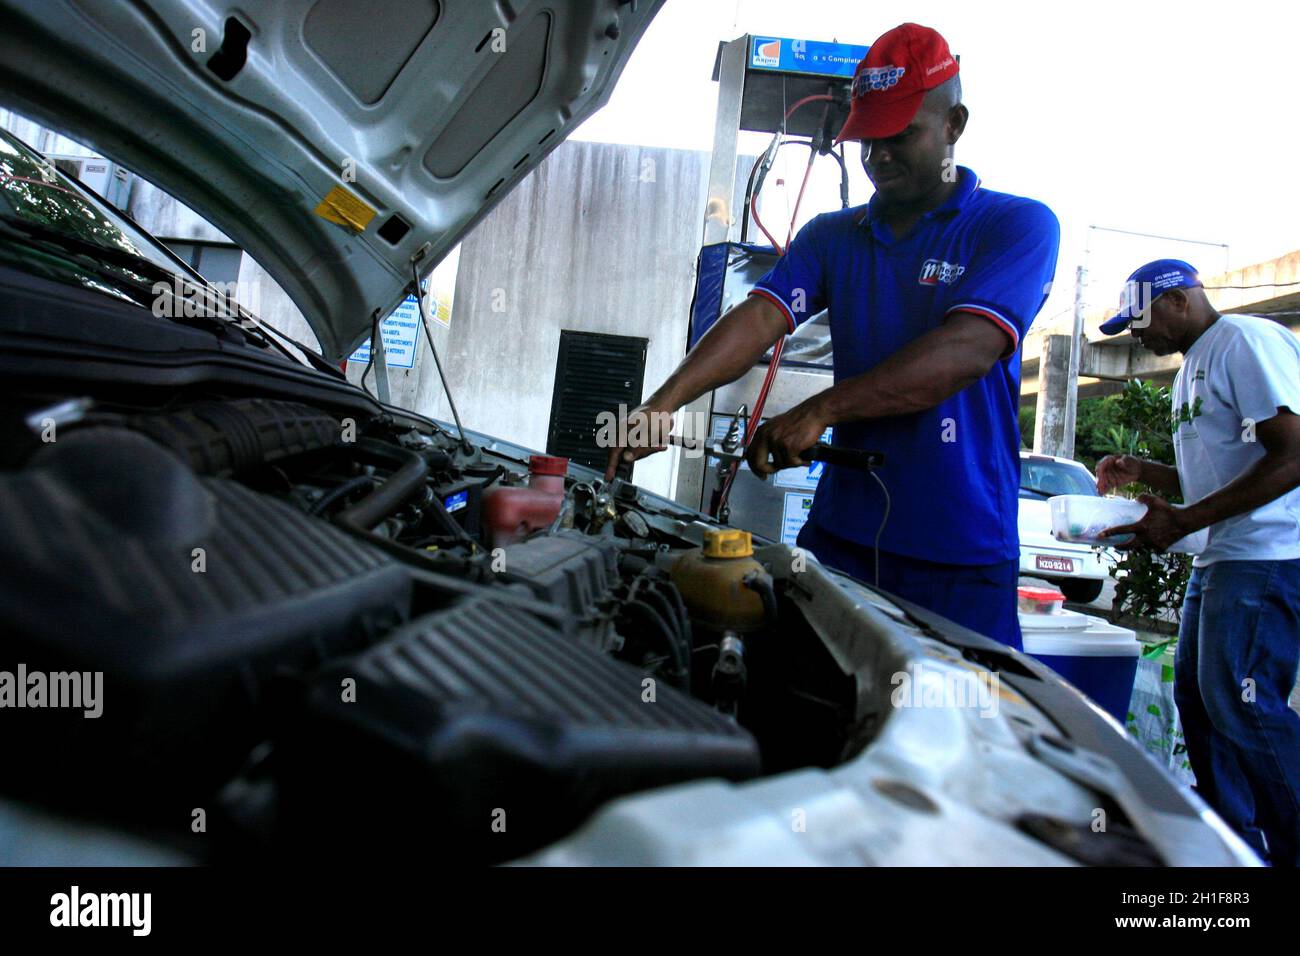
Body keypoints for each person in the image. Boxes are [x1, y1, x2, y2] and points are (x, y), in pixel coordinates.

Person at [604, 23, 1059, 649]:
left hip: (958, 552)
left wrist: (820, 409)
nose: (879, 156)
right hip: (840, 537)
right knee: (802, 703)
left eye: (900, 135)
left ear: (954, 124)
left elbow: (965, 352)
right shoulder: (831, 236)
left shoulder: (1016, 226)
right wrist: (660, 407)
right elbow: (759, 318)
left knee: (959, 728)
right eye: (867, 139)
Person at [1095, 258, 1300, 866]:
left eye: (1141, 323)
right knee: (1200, 700)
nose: (1139, 338)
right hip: (1222, 556)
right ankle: (1232, 847)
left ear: (1180, 301)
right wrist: (1144, 475)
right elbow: (1215, 473)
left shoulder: (1243, 341)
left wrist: (1182, 521)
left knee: (1243, 702)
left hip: (1268, 552)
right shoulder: (1192, 368)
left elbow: (1291, 456)